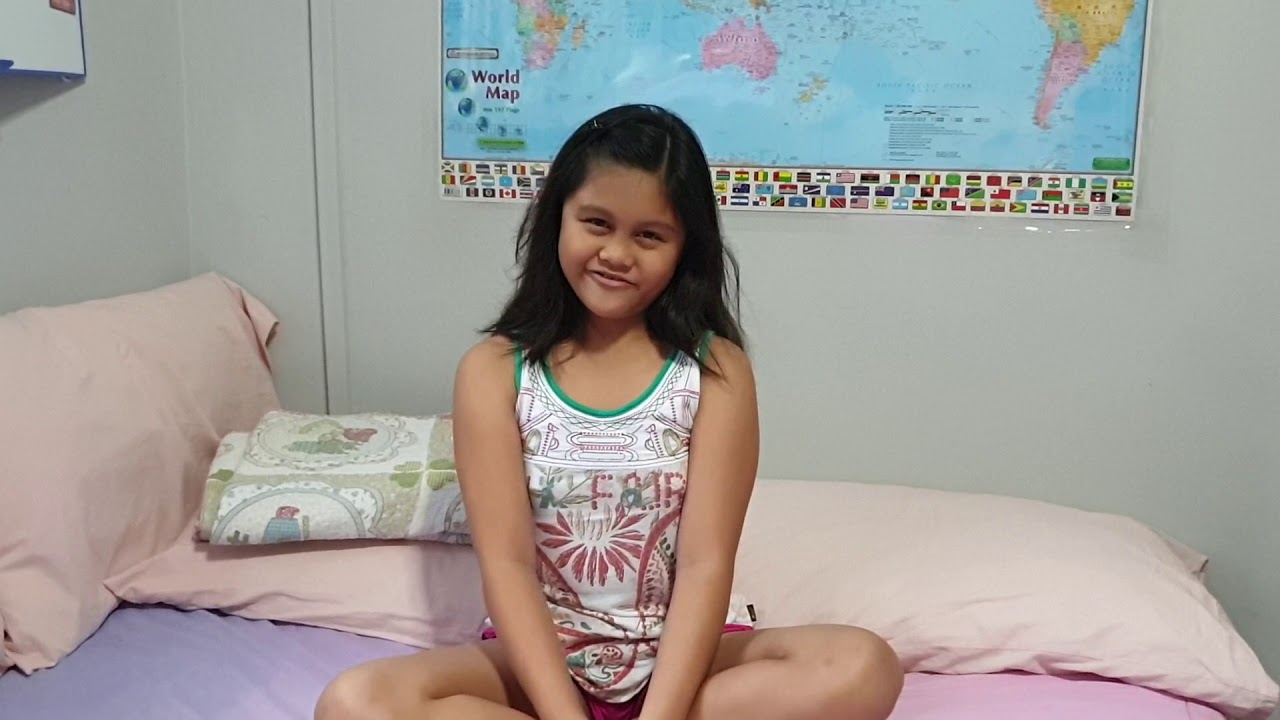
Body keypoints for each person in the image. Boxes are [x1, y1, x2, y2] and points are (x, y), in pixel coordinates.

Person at [314, 103, 903, 720]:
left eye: (649, 235)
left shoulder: (715, 372)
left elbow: (704, 566)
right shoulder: (493, 372)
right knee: (355, 704)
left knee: (861, 665)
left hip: (682, 670)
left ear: (685, 248)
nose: (617, 254)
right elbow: (508, 566)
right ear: (557, 219)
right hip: (539, 669)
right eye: (596, 223)